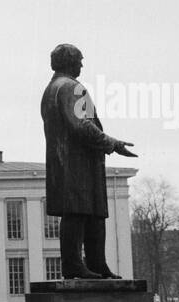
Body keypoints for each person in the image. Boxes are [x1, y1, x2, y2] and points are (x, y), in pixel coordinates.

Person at [40, 43, 137, 278]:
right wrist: (111, 143)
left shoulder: (51, 88)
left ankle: (95, 264)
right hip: (78, 163)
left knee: (89, 213)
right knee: (78, 212)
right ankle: (77, 265)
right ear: (69, 61)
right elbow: (82, 125)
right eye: (79, 60)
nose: (82, 64)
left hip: (65, 162)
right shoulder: (71, 87)